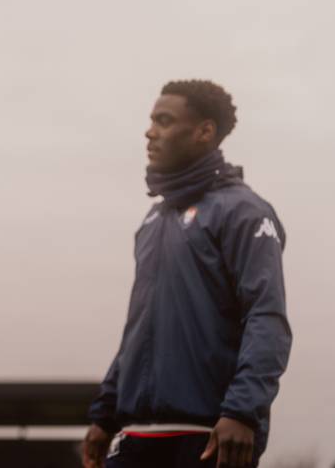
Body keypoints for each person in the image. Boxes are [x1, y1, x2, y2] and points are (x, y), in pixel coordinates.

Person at [82, 80, 291, 468]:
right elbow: (139, 329)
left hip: (209, 435)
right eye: (151, 121)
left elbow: (266, 317)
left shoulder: (245, 212)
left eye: (164, 120)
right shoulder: (152, 221)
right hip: (134, 435)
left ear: (204, 132)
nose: (150, 131)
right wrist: (104, 414)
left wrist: (243, 412)